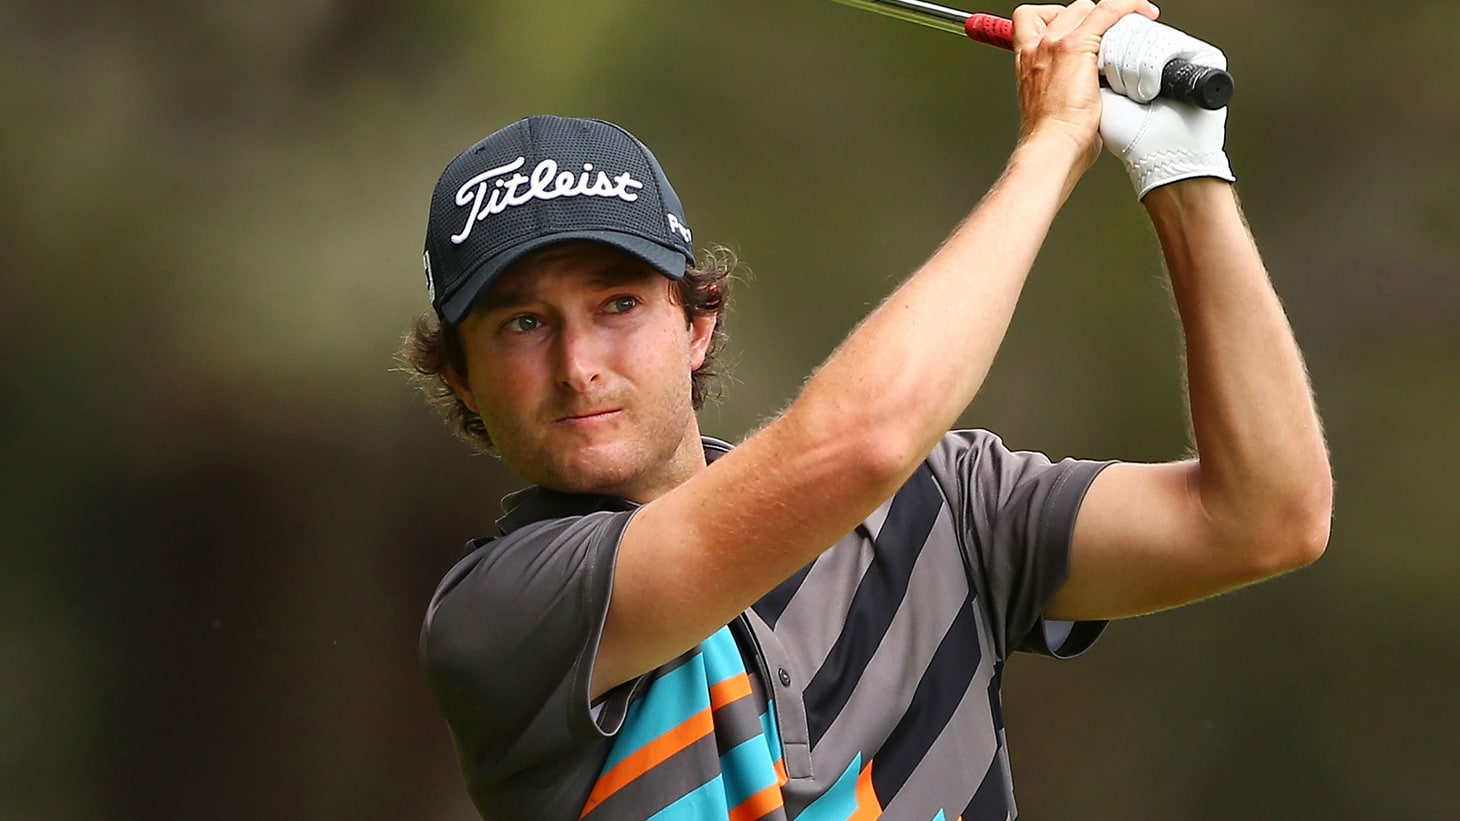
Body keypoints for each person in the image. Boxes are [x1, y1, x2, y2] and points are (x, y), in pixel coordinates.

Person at [399, 1, 1332, 818]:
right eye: (523, 324)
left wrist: (1183, 172)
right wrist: (1052, 145)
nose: (577, 366)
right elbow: (861, 443)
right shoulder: (500, 615)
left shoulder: (947, 502)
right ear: (463, 381)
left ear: (696, 325)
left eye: (617, 305)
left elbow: (1265, 516)